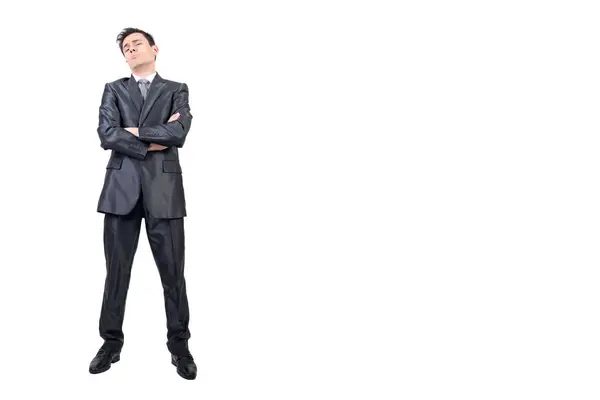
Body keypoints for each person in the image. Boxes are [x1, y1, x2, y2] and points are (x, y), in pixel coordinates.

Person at [89, 27, 196, 380]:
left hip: (164, 191)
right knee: (116, 273)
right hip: (120, 191)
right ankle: (110, 343)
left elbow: (179, 134)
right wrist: (152, 137)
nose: (130, 49)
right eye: (125, 47)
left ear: (154, 48)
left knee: (173, 275)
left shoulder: (176, 89)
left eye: (136, 44)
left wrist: (133, 132)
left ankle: (179, 347)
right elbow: (106, 134)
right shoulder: (113, 89)